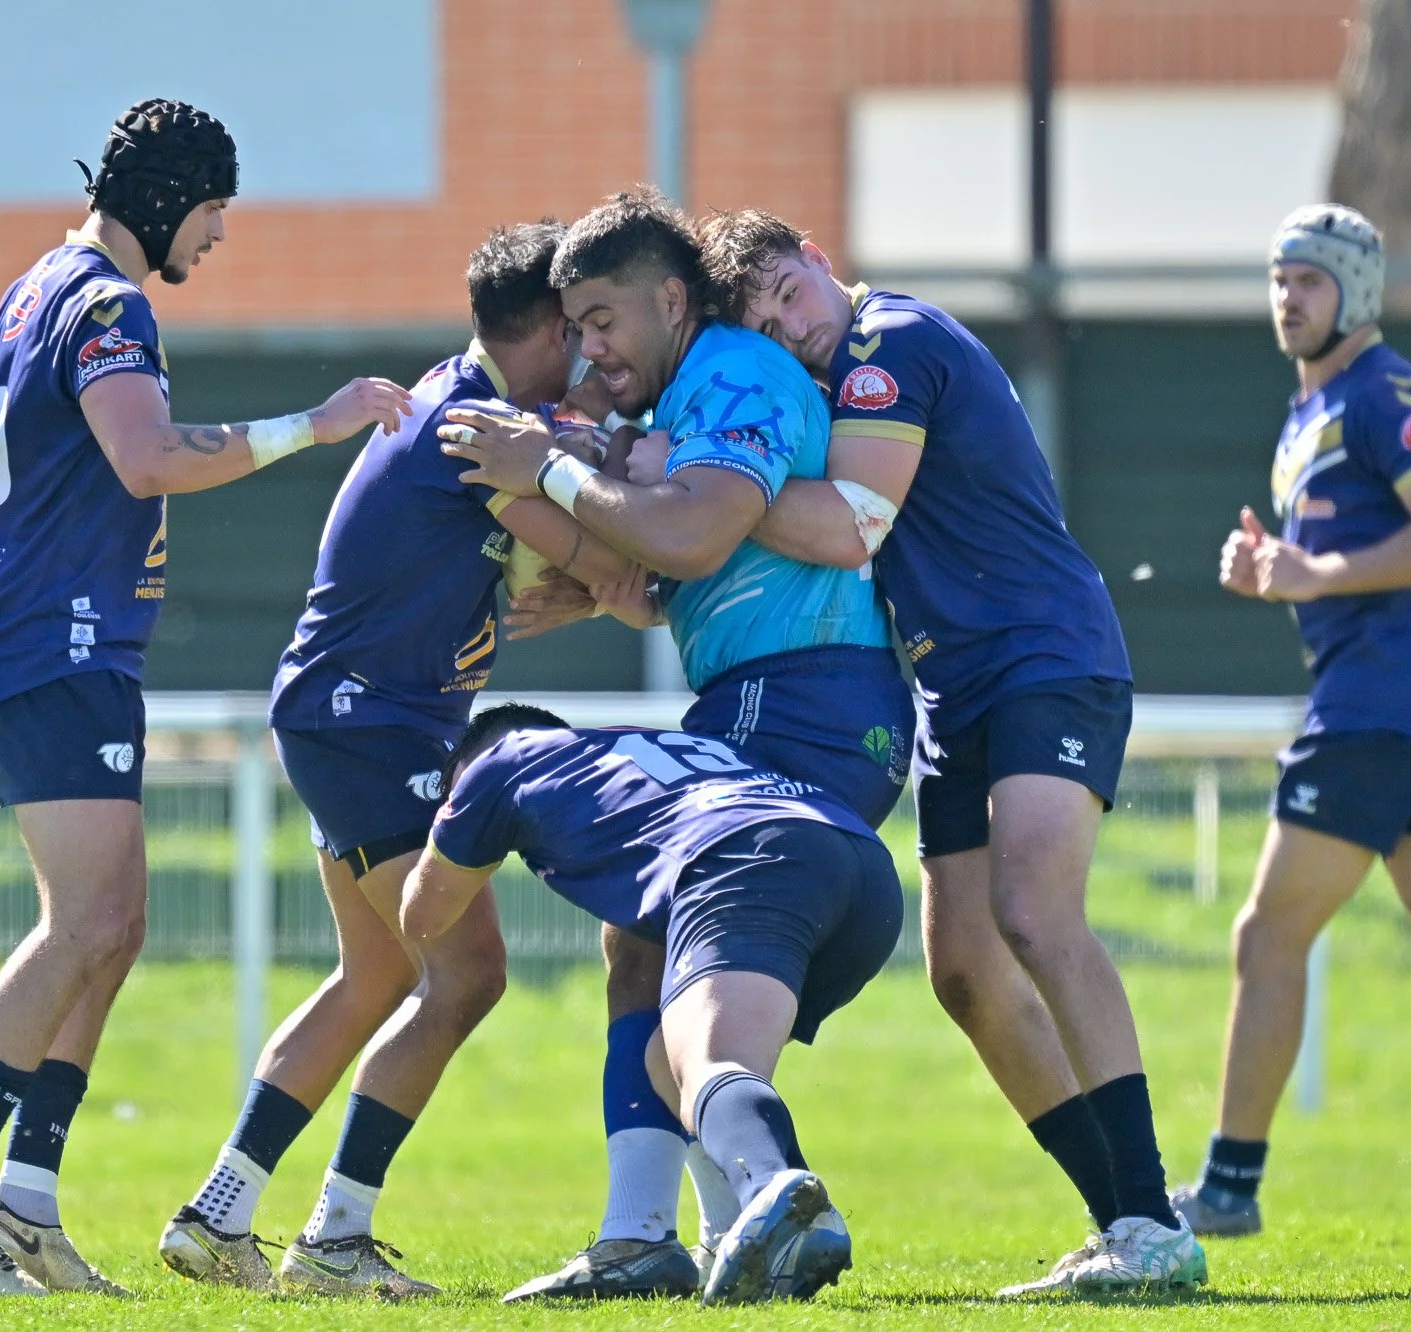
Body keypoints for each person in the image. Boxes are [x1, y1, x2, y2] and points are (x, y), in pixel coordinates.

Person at [0, 98, 412, 1298]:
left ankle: (23, 1204)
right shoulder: (108, 302)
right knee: (82, 923)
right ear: (172, 199)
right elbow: (149, 457)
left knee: (114, 924)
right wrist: (315, 425)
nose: (219, 236)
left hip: (48, 636)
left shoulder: (35, 285)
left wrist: (14, 566)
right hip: (54, 645)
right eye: (216, 210)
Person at [686, 207, 1203, 1293]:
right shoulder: (826, 381)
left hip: (1040, 658)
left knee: (1030, 912)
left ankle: (1155, 1218)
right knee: (964, 971)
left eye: (789, 292)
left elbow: (851, 527)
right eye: (763, 322)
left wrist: (706, 487)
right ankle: (1122, 1223)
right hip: (950, 685)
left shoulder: (888, 342)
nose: (789, 327)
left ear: (819, 262)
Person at [437, 188, 913, 1298]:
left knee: (690, 975)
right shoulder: (690, 393)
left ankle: (752, 1195)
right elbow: (682, 577)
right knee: (640, 948)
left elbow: (697, 536)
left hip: (807, 706)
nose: (589, 350)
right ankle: (648, 1236)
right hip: (768, 699)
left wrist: (549, 472)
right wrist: (606, 583)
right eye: (575, 327)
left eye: (602, 320)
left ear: (668, 297)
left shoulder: (737, 372)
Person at [157, 222, 635, 1298]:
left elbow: (522, 565)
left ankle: (217, 1211)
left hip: (347, 719)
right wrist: (636, 540)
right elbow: (615, 566)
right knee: (465, 974)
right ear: (553, 326)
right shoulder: (482, 427)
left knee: (377, 973)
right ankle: (333, 1241)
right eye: (589, 327)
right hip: (371, 726)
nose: (600, 351)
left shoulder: (458, 398)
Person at [1172, 205, 1411, 1238]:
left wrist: (1310, 572)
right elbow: (1332, 565)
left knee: (1265, 936)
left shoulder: (1381, 390)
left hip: (1380, 710)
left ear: (1356, 294)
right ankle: (1228, 1185)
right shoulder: (1307, 413)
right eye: (1278, 279)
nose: (1287, 297)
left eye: (1310, 281)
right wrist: (1273, 574)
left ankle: (1227, 1188)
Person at [402, 703, 905, 1305]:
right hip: (864, 870)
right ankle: (761, 1224)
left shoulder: (500, 763)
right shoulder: (630, 745)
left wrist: (454, 827)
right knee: (666, 1064)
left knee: (710, 1064)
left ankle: (775, 1187)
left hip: (749, 858)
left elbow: (423, 917)